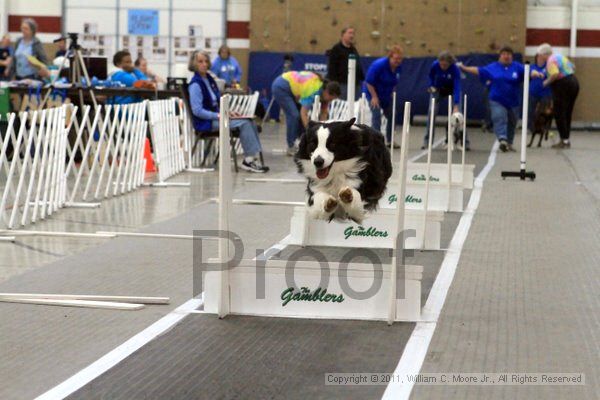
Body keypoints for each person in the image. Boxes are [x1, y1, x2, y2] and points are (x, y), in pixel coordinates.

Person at [188, 50, 268, 173]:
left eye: (206, 61)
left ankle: (252, 157)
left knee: (248, 119)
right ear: (194, 64)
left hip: (217, 117)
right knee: (244, 123)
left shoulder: (209, 79)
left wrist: (229, 112)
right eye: (200, 62)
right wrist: (219, 115)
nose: (204, 64)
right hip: (206, 122)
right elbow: (197, 111)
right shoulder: (195, 85)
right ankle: (249, 160)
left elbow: (217, 102)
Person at [459, 46, 543, 152]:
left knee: (512, 123)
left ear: (512, 57)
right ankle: (502, 138)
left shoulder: (517, 67)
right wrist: (464, 68)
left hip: (513, 101)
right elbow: (479, 70)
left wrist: (535, 73)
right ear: (500, 56)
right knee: (499, 117)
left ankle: (509, 143)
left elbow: (529, 71)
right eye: (504, 54)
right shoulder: (493, 67)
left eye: (508, 54)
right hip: (497, 99)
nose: (506, 56)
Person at [271, 70, 341, 155]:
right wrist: (311, 132)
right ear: (327, 92)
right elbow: (303, 114)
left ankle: (300, 143)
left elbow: (324, 114)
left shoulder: (325, 92)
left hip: (291, 87)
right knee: (294, 115)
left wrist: (321, 131)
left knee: (299, 118)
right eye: (331, 99)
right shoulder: (313, 90)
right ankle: (291, 146)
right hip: (281, 86)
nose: (330, 101)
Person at [536, 43, 579, 149]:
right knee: (568, 112)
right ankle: (566, 139)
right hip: (573, 82)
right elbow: (573, 67)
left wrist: (545, 82)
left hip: (562, 85)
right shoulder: (560, 56)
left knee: (559, 112)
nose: (540, 57)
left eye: (540, 55)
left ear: (544, 54)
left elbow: (554, 74)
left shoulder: (550, 61)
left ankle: (564, 140)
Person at [423, 51, 469, 150]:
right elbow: (430, 75)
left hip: (452, 90)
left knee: (459, 115)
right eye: (441, 64)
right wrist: (430, 85)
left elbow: (457, 86)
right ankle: (427, 142)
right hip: (438, 89)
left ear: (450, 63)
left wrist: (456, 105)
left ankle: (465, 142)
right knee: (431, 113)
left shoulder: (455, 69)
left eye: (445, 64)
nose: (443, 66)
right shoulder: (435, 65)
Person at [363, 45, 403, 147]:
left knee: (392, 114)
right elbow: (369, 82)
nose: (397, 61)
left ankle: (389, 140)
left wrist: (392, 93)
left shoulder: (398, 68)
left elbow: (394, 82)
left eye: (399, 59)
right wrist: (374, 97)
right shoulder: (379, 65)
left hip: (385, 95)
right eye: (395, 59)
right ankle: (375, 141)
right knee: (376, 116)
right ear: (390, 57)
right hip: (372, 93)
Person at [326, 26, 365, 99]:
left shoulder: (353, 49)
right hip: (342, 84)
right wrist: (335, 85)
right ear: (343, 35)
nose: (352, 35)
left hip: (355, 85)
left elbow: (358, 65)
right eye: (350, 33)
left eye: (353, 33)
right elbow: (332, 68)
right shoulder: (336, 49)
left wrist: (362, 78)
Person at [528, 52, 553, 132]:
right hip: (533, 92)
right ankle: (531, 127)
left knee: (545, 112)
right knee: (531, 110)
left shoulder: (548, 67)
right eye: (539, 56)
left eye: (542, 56)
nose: (540, 58)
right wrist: (535, 74)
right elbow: (530, 74)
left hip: (545, 93)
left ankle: (544, 128)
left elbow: (552, 75)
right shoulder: (532, 67)